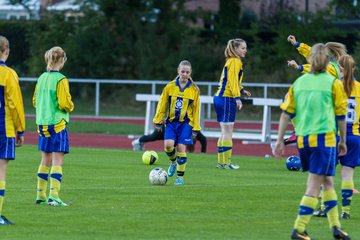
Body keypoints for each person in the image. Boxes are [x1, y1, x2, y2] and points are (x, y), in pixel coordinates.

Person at [273, 43, 351, 240]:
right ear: (328, 60)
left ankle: (336, 227)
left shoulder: (299, 83)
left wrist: (280, 140)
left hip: (304, 140)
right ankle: (299, 229)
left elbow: (285, 113)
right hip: (324, 139)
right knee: (314, 185)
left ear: (310, 60)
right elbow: (341, 115)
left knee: (328, 182)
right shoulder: (333, 83)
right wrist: (343, 140)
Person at [33, 46, 74, 207]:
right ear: (62, 60)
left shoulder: (41, 78)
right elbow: (64, 103)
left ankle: (40, 195)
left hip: (42, 124)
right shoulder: (61, 79)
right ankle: (54, 196)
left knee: (45, 159)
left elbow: (35, 101)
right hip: (57, 124)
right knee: (57, 160)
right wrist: (70, 106)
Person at [153, 60, 201, 185]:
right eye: (183, 71)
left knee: (181, 148)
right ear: (178, 71)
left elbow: (196, 110)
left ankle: (180, 178)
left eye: (187, 72)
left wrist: (196, 127)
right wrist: (158, 120)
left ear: (190, 73)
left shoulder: (194, 90)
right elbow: (162, 104)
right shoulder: (170, 87)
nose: (185, 74)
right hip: (171, 123)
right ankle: (173, 162)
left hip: (186, 124)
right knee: (168, 146)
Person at [213, 38, 251, 169]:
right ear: (235, 49)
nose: (245, 50)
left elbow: (231, 81)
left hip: (219, 97)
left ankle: (221, 163)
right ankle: (227, 163)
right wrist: (237, 97)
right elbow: (232, 81)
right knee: (228, 132)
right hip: (227, 99)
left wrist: (242, 90)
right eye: (242, 48)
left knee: (224, 132)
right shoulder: (235, 61)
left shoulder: (230, 61)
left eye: (245, 48)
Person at [0, 36, 25, 225]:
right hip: (4, 128)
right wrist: (20, 130)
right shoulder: (9, 74)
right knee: (1, 171)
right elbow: (15, 104)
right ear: (6, 51)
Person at [337, 54, 360, 220]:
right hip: (354, 136)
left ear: (340, 69)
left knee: (326, 175)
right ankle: (346, 211)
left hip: (335, 136)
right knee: (348, 176)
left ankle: (324, 208)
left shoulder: (335, 86)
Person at [131, 124, 207, 153]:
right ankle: (137, 141)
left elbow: (204, 140)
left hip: (172, 133)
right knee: (152, 137)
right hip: (165, 129)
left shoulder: (195, 131)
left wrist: (203, 153)